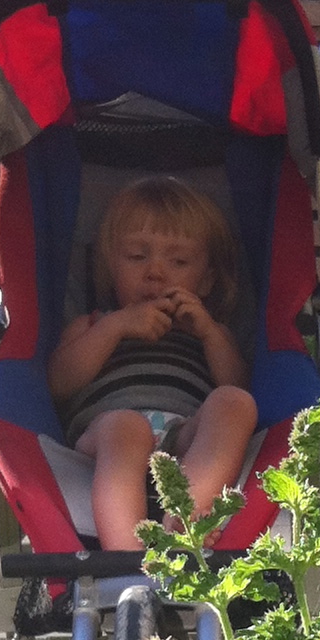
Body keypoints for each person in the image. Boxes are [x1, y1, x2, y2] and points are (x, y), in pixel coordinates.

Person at [48, 176, 260, 549]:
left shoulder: (210, 333)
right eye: (136, 256)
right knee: (127, 428)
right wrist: (115, 326)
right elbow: (58, 384)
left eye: (179, 261)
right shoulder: (93, 325)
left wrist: (209, 332)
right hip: (107, 437)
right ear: (110, 267)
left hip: (184, 437)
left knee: (235, 403)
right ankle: (127, 557)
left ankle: (185, 521)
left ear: (206, 281)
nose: (156, 272)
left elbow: (240, 384)